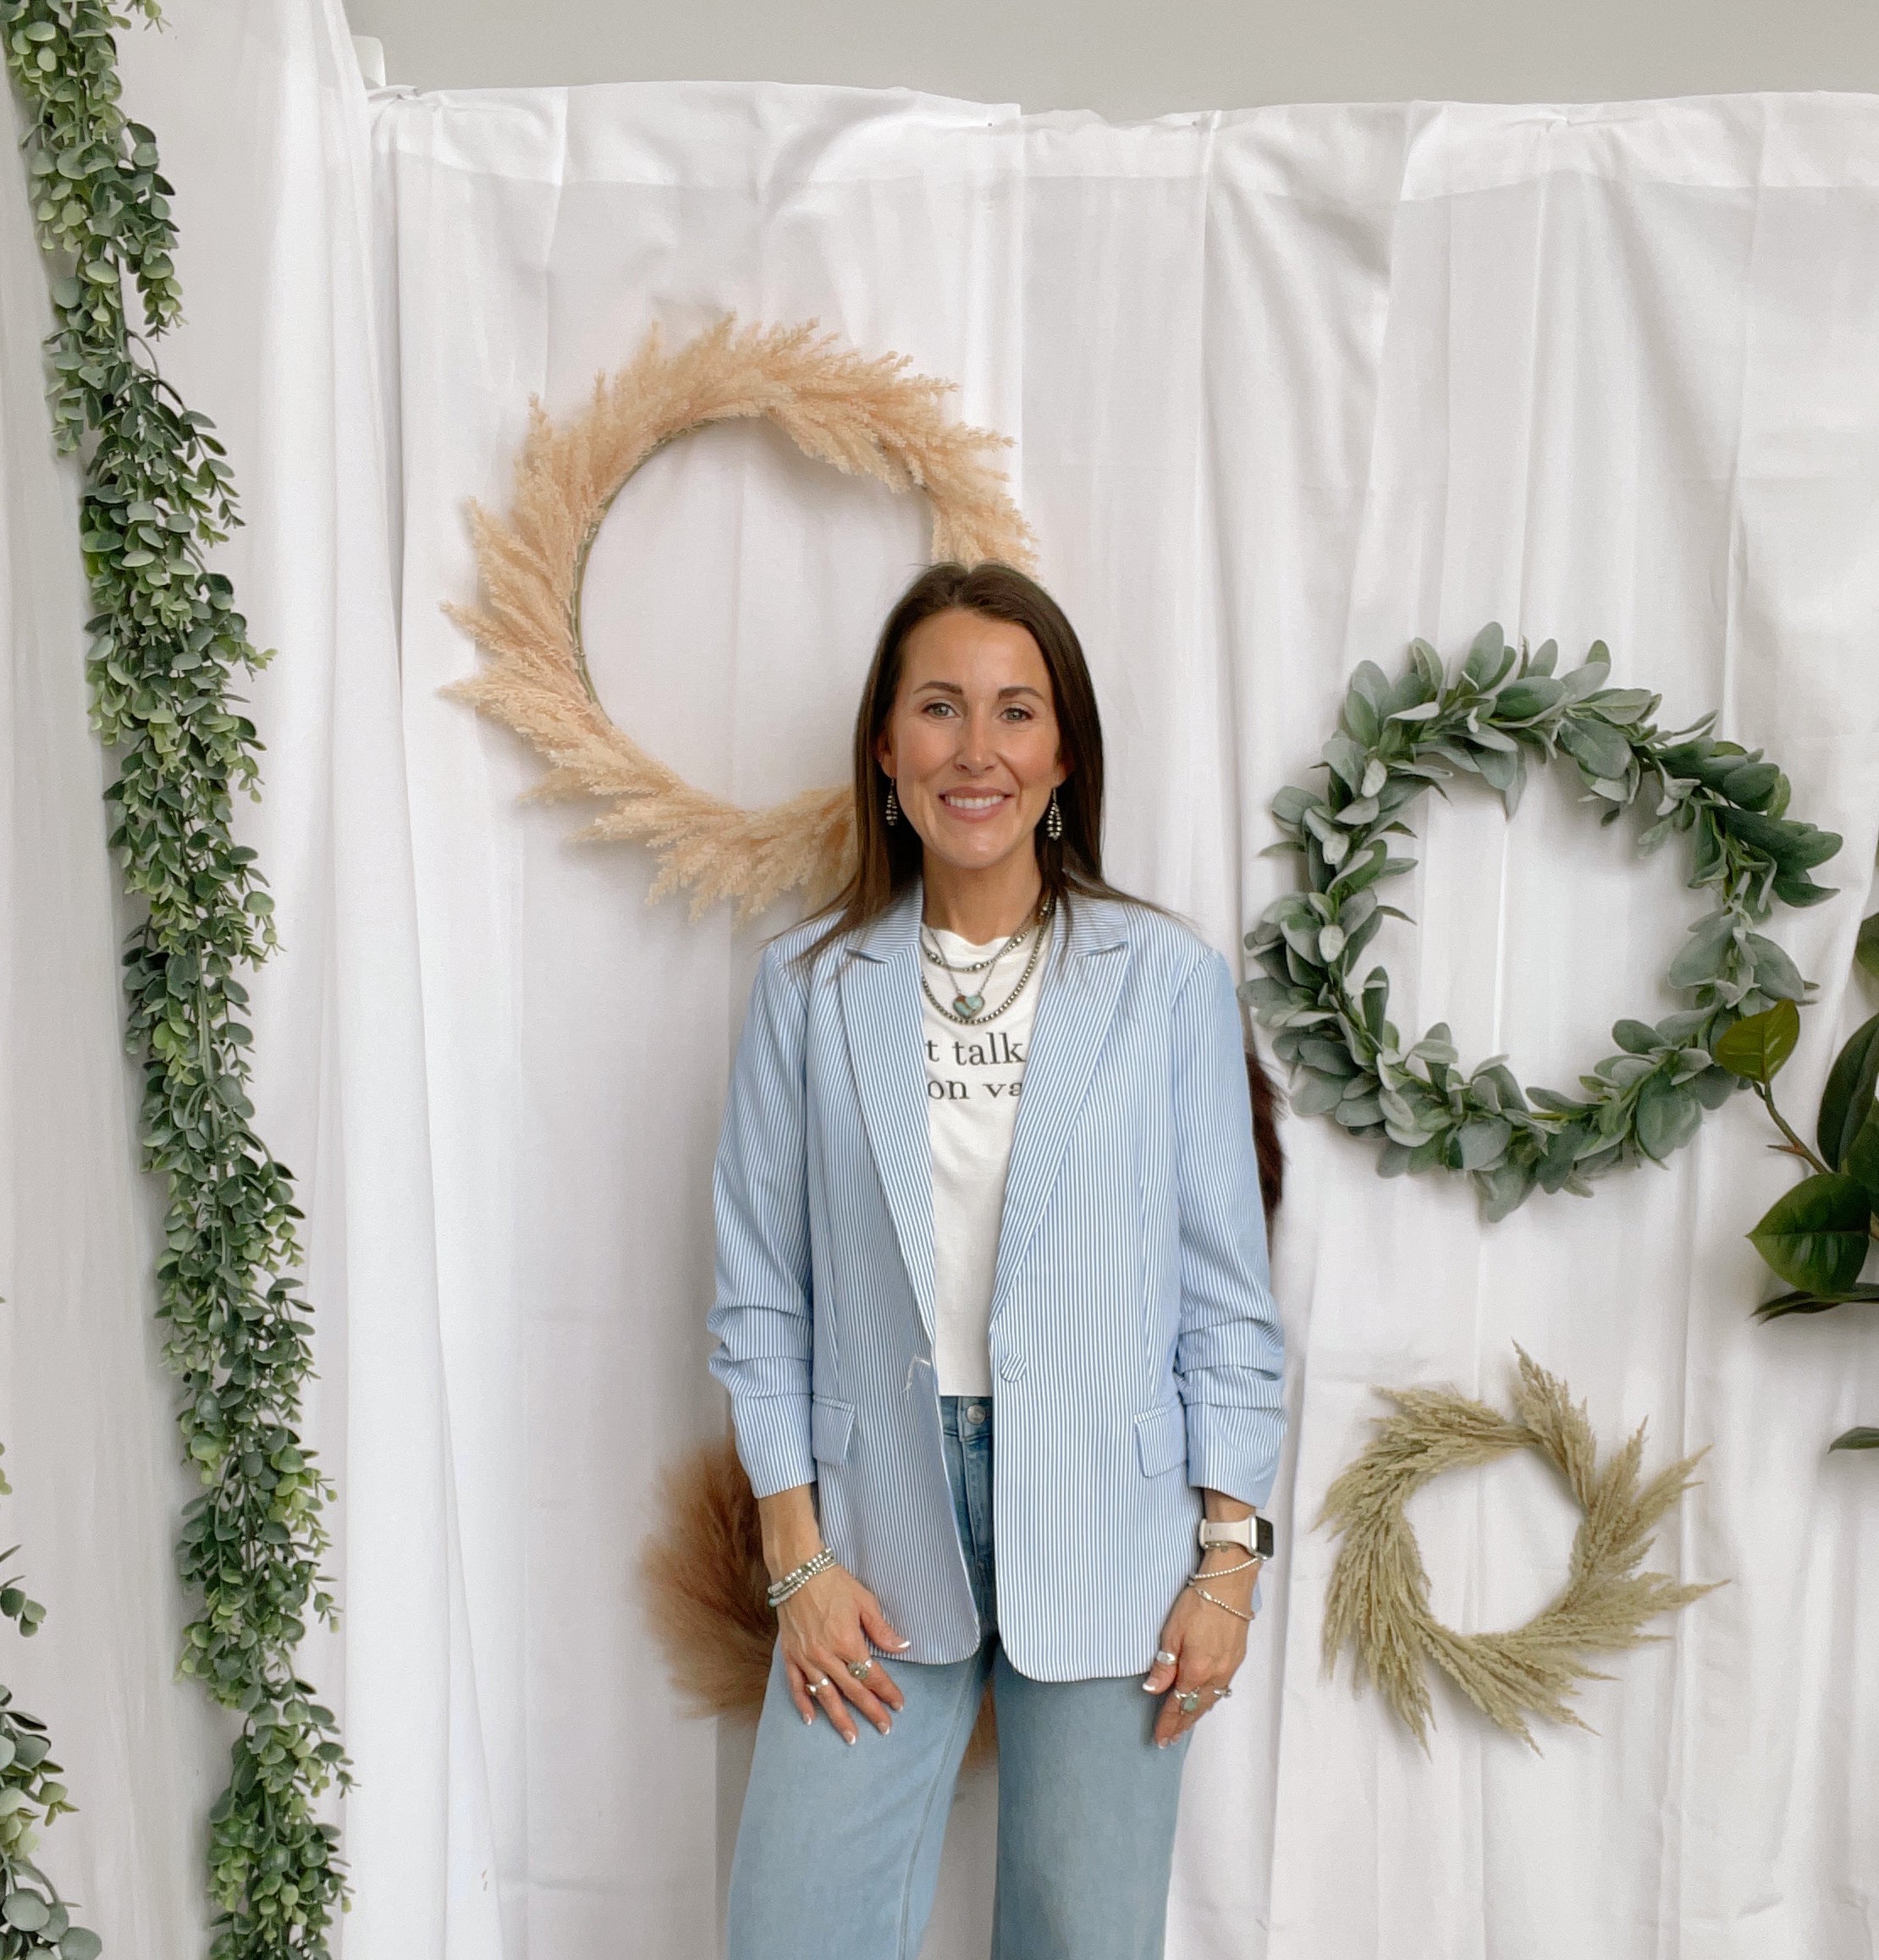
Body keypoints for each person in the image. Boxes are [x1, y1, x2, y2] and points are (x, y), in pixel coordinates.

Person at [706, 560, 1287, 1960]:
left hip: (1116, 1535)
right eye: (942, 709)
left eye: (1017, 712)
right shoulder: (807, 988)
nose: (980, 749)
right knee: (795, 1933)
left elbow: (1226, 1301)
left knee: (1083, 1936)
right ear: (887, 751)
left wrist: (1229, 1565)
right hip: (875, 1529)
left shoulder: (1165, 981)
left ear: (1063, 753)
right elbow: (759, 1295)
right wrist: (797, 1560)